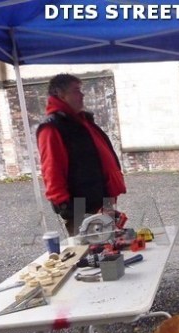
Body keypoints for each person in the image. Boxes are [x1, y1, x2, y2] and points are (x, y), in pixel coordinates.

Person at [36, 73, 126, 236]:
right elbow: (52, 171)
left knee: (111, 245)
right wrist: (67, 208)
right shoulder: (53, 128)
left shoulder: (82, 122)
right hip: (79, 204)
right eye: (76, 90)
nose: (82, 95)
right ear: (60, 94)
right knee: (87, 249)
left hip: (102, 198)